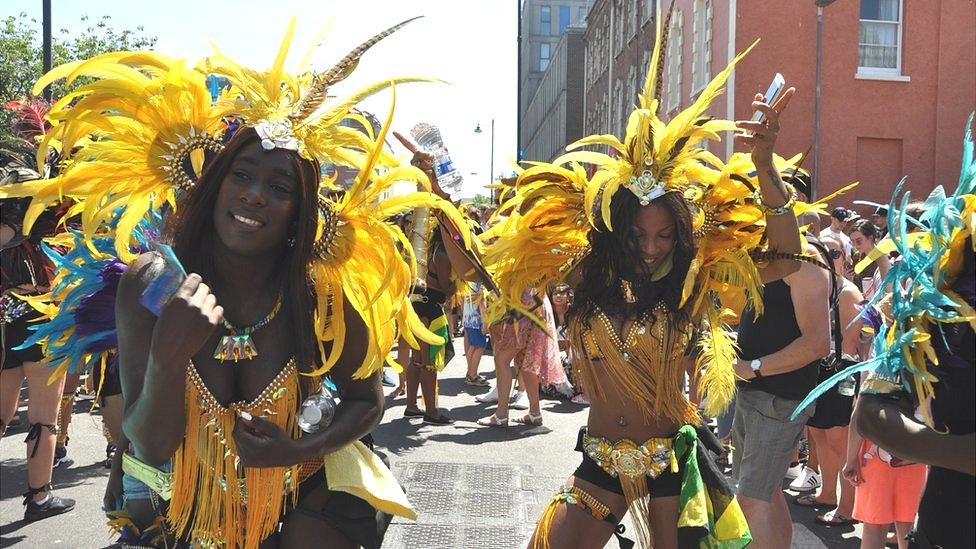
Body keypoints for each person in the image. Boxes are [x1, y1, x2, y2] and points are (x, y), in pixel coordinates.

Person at [0, 19, 483, 547]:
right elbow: (150, 444)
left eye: (279, 187)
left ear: (301, 211)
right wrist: (169, 353)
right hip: (174, 514)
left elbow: (367, 402)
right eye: (242, 175)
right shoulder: (154, 284)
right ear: (215, 184)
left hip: (294, 510)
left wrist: (296, 452)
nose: (255, 195)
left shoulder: (319, 293)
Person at [487, 18, 795, 547]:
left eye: (664, 237)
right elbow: (483, 266)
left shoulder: (692, 283)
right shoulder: (587, 275)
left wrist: (766, 169)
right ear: (615, 233)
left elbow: (786, 258)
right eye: (637, 236)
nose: (651, 248)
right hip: (600, 460)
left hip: (671, 462)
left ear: (679, 235)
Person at [1, 181, 75, 521]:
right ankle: (39, 497)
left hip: (4, 312)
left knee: (3, 410)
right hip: (39, 312)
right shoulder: (52, 206)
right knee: (44, 415)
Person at [793, 235, 864, 527]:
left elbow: (850, 344)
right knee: (819, 434)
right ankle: (827, 494)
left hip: (840, 374)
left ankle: (848, 506)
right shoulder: (816, 289)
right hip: (817, 371)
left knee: (839, 439)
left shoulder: (847, 292)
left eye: (834, 253)